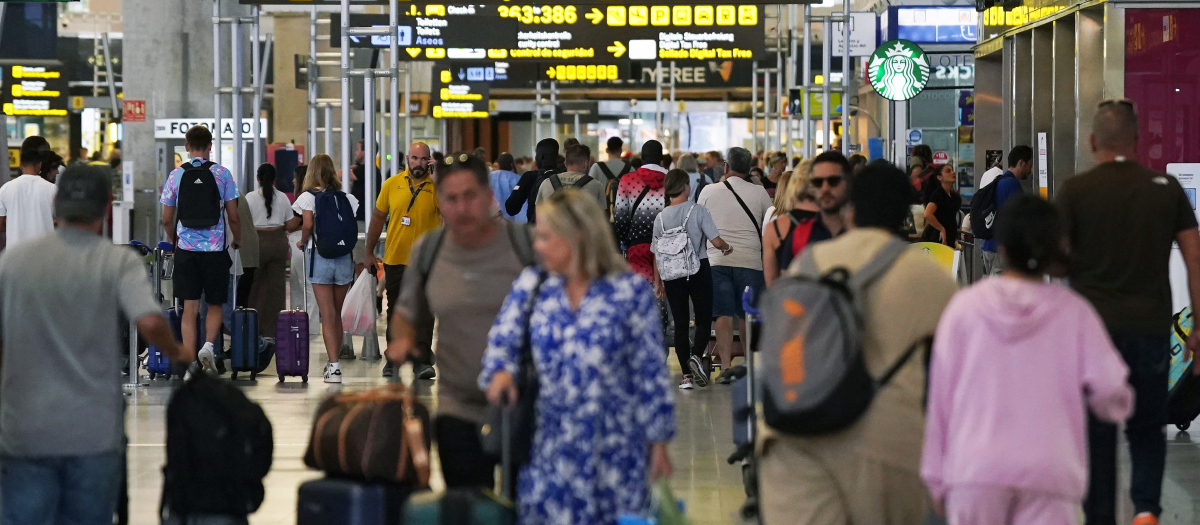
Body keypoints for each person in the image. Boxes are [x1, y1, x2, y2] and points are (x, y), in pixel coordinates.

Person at [757, 160, 957, 525]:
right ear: (905, 216)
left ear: (850, 210)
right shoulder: (931, 279)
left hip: (796, 435)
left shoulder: (811, 262)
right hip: (887, 448)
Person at [921, 194, 1134, 525]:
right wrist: (1115, 407)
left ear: (1002, 247)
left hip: (974, 472)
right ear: (1057, 248)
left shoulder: (964, 309)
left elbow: (939, 398)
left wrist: (935, 474)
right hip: (1049, 472)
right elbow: (1110, 391)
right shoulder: (1075, 314)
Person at [0, 166, 192, 525]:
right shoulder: (117, 261)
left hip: (24, 432)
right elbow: (149, 320)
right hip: (92, 433)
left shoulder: (13, 261)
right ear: (105, 207)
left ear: (55, 205)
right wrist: (178, 352)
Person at [480, 189, 675, 525]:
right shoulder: (533, 285)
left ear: (578, 236)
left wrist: (658, 442)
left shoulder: (629, 293)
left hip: (616, 453)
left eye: (545, 236)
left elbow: (650, 374)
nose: (536, 245)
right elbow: (501, 342)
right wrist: (500, 373)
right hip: (547, 451)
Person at [1059, 100, 1200, 525]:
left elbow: (1055, 259)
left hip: (1092, 334)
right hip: (1150, 329)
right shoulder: (1165, 187)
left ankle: (1099, 515)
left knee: (1097, 430)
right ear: (1138, 142)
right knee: (1146, 426)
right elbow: (1194, 257)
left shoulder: (1075, 191)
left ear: (1092, 142)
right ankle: (1144, 511)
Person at [385, 153, 530, 489]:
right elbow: (406, 311)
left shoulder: (524, 245)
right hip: (458, 408)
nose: (461, 208)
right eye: (451, 198)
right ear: (440, 201)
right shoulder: (430, 249)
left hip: (522, 405)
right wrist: (403, 339)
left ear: (488, 196)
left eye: (470, 197)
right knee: (466, 507)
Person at [160, 126, 242, 373]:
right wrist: (237, 239)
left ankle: (190, 361)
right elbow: (234, 215)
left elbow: (166, 218)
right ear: (210, 146)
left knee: (190, 307)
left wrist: (175, 240)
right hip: (215, 250)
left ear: (186, 147)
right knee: (215, 304)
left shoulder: (176, 176)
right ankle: (208, 345)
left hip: (186, 250)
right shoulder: (222, 174)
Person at [364, 142, 440, 379]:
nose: (418, 164)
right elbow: (378, 218)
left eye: (423, 159)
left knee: (425, 312)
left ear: (430, 161)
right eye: (415, 158)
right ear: (408, 158)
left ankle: (422, 361)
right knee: (395, 310)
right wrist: (368, 251)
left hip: (427, 260)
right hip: (396, 259)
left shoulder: (437, 186)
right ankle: (393, 360)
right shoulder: (392, 184)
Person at [697, 147, 773, 382]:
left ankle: (727, 367)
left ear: (726, 167)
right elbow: (767, 225)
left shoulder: (709, 190)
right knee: (747, 314)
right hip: (750, 261)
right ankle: (749, 366)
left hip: (717, 260)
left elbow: (699, 226)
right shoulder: (760, 192)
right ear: (749, 169)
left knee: (722, 315)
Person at [652, 169, 731, 390]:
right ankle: (696, 356)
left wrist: (658, 282)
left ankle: (686, 377)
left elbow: (656, 252)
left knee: (680, 324)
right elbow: (716, 242)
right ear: (686, 186)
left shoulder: (660, 217)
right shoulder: (698, 211)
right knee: (703, 319)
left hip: (671, 274)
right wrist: (728, 248)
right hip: (698, 270)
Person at [294, 154, 359, 384]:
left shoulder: (307, 197)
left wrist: (302, 241)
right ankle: (335, 364)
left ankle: (334, 368)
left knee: (327, 314)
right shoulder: (347, 198)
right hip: (343, 257)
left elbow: (308, 224)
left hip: (319, 255)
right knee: (337, 314)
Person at [246, 163, 300, 338]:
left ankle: (254, 327)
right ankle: (274, 330)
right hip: (278, 242)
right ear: (275, 178)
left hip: (257, 242)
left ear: (258, 178)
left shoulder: (250, 197)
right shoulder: (283, 197)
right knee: (276, 289)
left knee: (255, 286)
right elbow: (291, 223)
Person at [614, 140, 670, 282]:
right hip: (668, 245)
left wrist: (625, 241)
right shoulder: (671, 179)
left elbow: (620, 217)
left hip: (637, 244)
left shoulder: (628, 179)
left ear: (642, 158)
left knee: (643, 291)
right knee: (665, 290)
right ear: (661, 159)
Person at [762, 160, 821, 286]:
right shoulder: (838, 222)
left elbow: (771, 283)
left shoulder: (775, 228)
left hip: (790, 299)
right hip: (829, 301)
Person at [979, 145, 1033, 275]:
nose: (1031, 170)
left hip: (989, 245)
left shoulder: (999, 182)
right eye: (1029, 165)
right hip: (1001, 249)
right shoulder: (1012, 184)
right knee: (1000, 293)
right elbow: (1020, 217)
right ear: (1021, 162)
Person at [0, 141, 57, 248]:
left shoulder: (5, 189)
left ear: (21, 165)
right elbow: (61, 220)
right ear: (40, 165)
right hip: (44, 251)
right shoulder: (52, 189)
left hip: (14, 252)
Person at [504, 139, 561, 224]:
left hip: (538, 230)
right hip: (562, 231)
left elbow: (511, 208)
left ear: (540, 156)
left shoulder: (530, 177)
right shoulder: (565, 175)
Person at [535, 144, 606, 208]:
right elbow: (603, 217)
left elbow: (538, 214)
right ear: (586, 163)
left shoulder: (547, 183)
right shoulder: (596, 186)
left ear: (565, 163)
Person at [922, 163, 962, 247]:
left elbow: (951, 219)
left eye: (952, 170)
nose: (953, 173)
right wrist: (941, 229)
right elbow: (927, 214)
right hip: (938, 237)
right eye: (948, 171)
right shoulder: (938, 194)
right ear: (939, 177)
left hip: (949, 236)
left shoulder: (954, 196)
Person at [490, 153, 526, 222]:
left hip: (492, 218)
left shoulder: (489, 177)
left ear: (499, 163)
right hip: (511, 221)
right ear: (511, 164)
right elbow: (522, 203)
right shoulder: (517, 179)